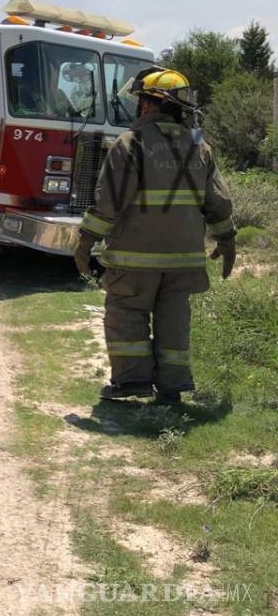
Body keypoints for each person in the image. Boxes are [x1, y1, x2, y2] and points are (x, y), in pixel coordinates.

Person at [74, 67, 235, 406]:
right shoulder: (199, 145)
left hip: (134, 258)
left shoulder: (130, 143)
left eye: (141, 102)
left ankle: (132, 382)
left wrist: (86, 241)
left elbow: (110, 202)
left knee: (127, 313)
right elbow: (218, 201)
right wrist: (227, 239)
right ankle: (172, 388)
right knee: (174, 320)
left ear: (148, 105)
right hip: (184, 260)